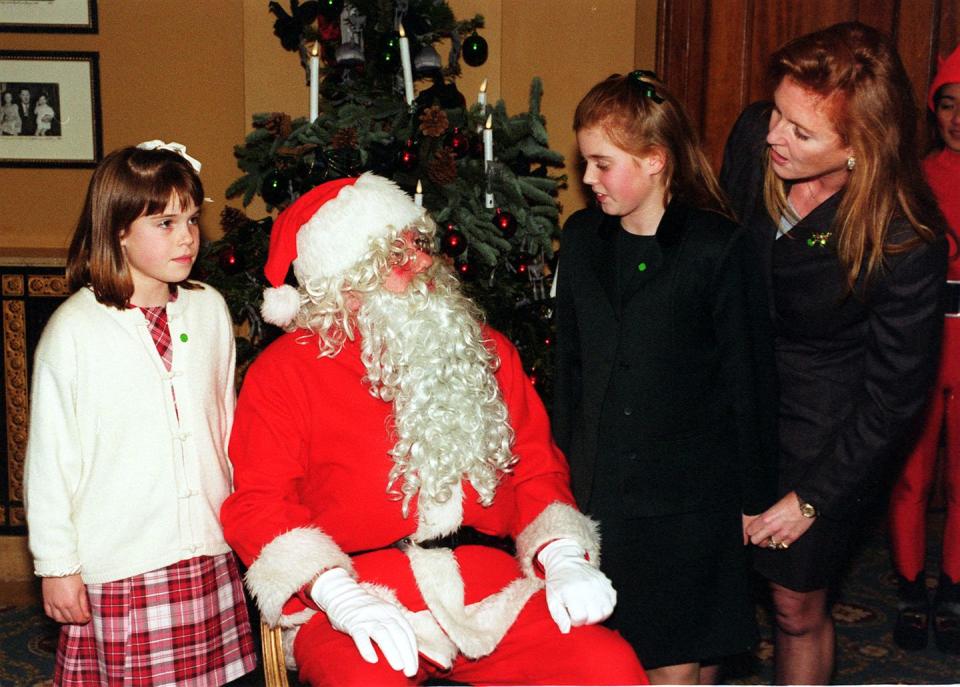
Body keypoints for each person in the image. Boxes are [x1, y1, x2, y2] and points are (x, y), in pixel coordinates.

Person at [219, 172, 649, 687]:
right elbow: (260, 504)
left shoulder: (483, 350)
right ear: (347, 281)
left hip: (490, 587)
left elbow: (536, 468)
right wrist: (339, 595)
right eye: (395, 256)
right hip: (360, 593)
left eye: (419, 245)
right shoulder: (285, 372)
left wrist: (561, 557)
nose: (424, 261)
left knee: (607, 667)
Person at [720, 22, 948, 684]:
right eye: (778, 114)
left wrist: (811, 498)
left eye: (801, 131)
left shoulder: (906, 239)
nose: (773, 137)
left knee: (795, 605)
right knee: (708, 582)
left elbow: (893, 398)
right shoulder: (754, 138)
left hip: (826, 434)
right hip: (735, 401)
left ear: (858, 148)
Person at [551, 71, 778, 685]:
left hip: (688, 502)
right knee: (619, 657)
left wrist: (753, 504)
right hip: (602, 493)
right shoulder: (581, 240)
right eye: (586, 163)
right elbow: (567, 369)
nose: (588, 179)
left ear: (654, 160)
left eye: (601, 163)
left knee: (676, 662)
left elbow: (748, 386)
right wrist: (557, 484)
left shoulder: (716, 248)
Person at [24, 141, 257, 685]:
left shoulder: (210, 310)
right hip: (125, 565)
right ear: (118, 230)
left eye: (193, 220)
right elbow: (51, 462)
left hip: (209, 549)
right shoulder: (74, 330)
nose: (187, 236)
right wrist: (58, 567)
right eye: (166, 222)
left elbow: (226, 427)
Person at [887, 44, 960, 655]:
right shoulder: (913, 179)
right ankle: (912, 589)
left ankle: (955, 588)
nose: (958, 117)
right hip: (925, 338)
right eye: (948, 104)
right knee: (910, 475)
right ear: (933, 110)